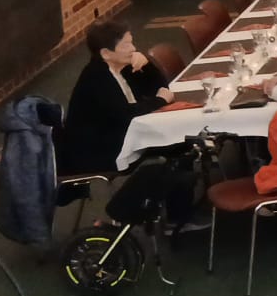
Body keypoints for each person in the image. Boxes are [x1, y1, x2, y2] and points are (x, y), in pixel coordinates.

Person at [58, 23, 196, 226]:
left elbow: (160, 86)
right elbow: (127, 114)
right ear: (106, 53)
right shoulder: (97, 78)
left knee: (181, 143)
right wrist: (160, 101)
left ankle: (176, 213)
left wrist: (146, 65)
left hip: (120, 135)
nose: (133, 49)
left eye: (132, 43)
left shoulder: (121, 68)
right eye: (126, 45)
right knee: (173, 147)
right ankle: (151, 215)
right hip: (97, 151)